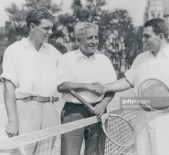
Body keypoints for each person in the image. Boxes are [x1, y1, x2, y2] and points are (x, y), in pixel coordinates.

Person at [101, 18, 169, 155]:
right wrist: (104, 88)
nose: (143, 40)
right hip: (141, 121)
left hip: (167, 123)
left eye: (147, 36)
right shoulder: (140, 59)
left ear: (161, 36)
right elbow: (128, 81)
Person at [1, 8, 61, 154]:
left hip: (50, 110)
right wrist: (12, 121)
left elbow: (67, 78)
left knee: (47, 152)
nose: (50, 32)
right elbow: (8, 88)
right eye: (46, 28)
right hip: (25, 111)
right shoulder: (14, 50)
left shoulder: (53, 52)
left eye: (51, 28)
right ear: (32, 26)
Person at [57, 22, 117, 155]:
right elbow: (61, 86)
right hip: (73, 113)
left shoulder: (104, 60)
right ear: (79, 39)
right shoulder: (67, 59)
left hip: (98, 112)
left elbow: (112, 88)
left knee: (95, 153)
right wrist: (87, 86)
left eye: (96, 37)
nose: (94, 41)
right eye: (90, 38)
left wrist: (103, 104)